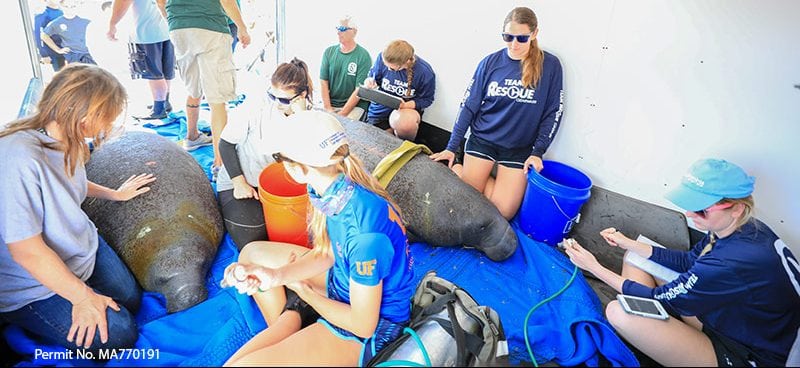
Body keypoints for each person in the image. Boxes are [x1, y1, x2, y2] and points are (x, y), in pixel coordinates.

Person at [221, 110, 415, 366]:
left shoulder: (363, 234)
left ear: (298, 168)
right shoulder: (334, 189)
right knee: (252, 255)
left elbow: (363, 325)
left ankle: (297, 316)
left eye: (279, 158)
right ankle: (292, 319)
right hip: (343, 284)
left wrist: (305, 291)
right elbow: (326, 253)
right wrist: (277, 276)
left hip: (372, 327)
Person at [564, 158, 800, 367]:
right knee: (636, 256)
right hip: (735, 322)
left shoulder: (733, 261)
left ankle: (667, 339)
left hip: (750, 354)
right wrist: (628, 243)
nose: (690, 215)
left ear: (736, 208)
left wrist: (593, 266)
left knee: (618, 312)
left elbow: (660, 297)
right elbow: (688, 261)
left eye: (701, 210)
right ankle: (667, 336)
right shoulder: (743, 229)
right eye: (689, 206)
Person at [0, 64, 157, 354]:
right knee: (121, 335)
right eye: (106, 119)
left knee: (131, 299)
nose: (107, 127)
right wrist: (82, 298)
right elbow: (25, 250)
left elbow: (70, 183)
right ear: (85, 117)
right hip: (31, 282)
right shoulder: (19, 157)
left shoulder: (67, 139)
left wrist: (116, 195)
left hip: (79, 247)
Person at [429, 6, 564, 220]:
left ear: (534, 34)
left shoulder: (551, 65)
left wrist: (538, 152)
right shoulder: (490, 62)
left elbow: (553, 111)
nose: (514, 44)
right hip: (483, 139)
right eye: (508, 37)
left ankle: (469, 179)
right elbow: (469, 106)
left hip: (519, 149)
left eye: (521, 38)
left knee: (502, 214)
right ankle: (460, 171)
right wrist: (451, 147)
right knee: (466, 206)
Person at [217, 58, 313, 249]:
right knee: (255, 233)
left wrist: (301, 118)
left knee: (303, 232)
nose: (277, 104)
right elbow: (225, 144)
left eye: (284, 100)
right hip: (244, 183)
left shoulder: (310, 117)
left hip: (278, 188)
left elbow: (310, 154)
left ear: (302, 96)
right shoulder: (254, 108)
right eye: (273, 96)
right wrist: (239, 183)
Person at [155, 0, 251, 171]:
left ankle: (191, 136)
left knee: (194, 87)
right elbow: (227, 2)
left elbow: (160, 2)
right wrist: (242, 28)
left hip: (178, 27)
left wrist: (174, 22)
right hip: (210, 26)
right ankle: (220, 165)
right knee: (217, 100)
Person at [345, 39, 435, 141]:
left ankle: (405, 142)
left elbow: (427, 100)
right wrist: (369, 81)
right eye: (386, 65)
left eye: (392, 69)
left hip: (405, 111)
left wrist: (405, 105)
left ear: (406, 62)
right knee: (377, 142)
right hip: (381, 109)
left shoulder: (424, 72)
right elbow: (373, 76)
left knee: (404, 123)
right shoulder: (382, 58)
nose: (388, 69)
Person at [107, 0, 175, 120]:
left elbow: (122, 2)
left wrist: (112, 24)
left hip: (146, 33)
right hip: (167, 30)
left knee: (154, 74)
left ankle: (158, 109)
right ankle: (165, 103)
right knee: (165, 70)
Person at [319, 15, 372, 121]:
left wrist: (342, 114)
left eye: (342, 29)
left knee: (343, 127)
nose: (338, 32)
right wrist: (328, 108)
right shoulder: (329, 52)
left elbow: (359, 90)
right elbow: (323, 81)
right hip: (332, 103)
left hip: (355, 107)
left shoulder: (363, 56)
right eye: (337, 29)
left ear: (354, 32)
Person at [41, 0, 97, 65]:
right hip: (73, 55)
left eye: (73, 6)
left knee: (95, 73)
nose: (69, 9)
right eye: (66, 6)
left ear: (77, 6)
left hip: (89, 53)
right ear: (61, 7)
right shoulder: (57, 22)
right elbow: (44, 35)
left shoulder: (86, 20)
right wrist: (58, 49)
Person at [33, 0, 66, 72]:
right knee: (60, 77)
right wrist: (44, 54)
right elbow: (37, 35)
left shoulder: (62, 12)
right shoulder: (42, 14)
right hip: (53, 53)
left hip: (66, 51)